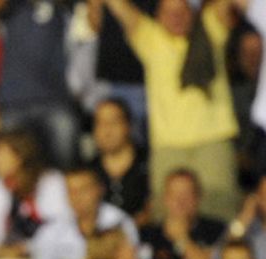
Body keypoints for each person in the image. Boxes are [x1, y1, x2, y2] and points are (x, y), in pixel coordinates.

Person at [99, 0, 241, 221]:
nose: (176, 17)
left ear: (192, 13)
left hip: (212, 142)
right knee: (165, 216)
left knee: (219, 212)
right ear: (158, 16)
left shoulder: (210, 29)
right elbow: (120, 8)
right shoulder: (151, 39)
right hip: (168, 146)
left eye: (181, 11)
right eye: (169, 12)